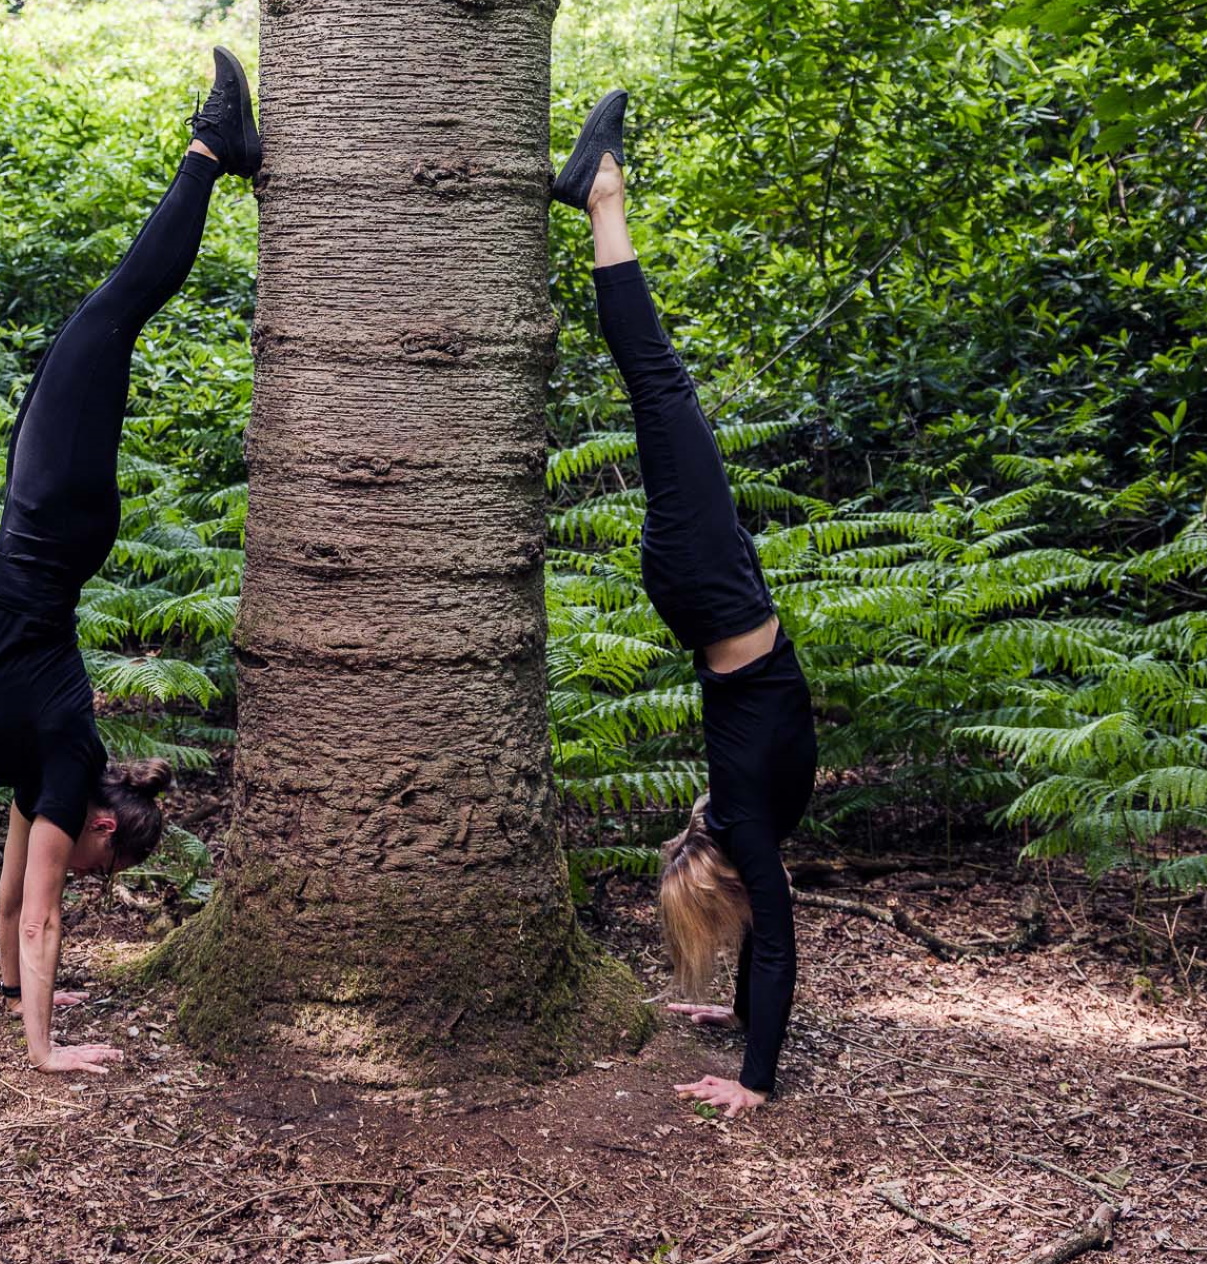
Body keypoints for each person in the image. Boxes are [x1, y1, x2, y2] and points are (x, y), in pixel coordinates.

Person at [0, 47, 262, 1074]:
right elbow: (44, 912)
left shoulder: (45, 774)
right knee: (113, 311)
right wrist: (48, 1053)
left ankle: (219, 148)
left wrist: (21, 1011)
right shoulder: (64, 768)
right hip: (52, 519)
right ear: (96, 818)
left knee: (105, 319)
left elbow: (17, 908)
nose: (85, 875)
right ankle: (215, 148)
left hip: (48, 522)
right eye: (99, 859)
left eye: (93, 868)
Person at [551, 91, 819, 1118]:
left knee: (659, 385)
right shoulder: (745, 831)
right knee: (658, 391)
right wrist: (743, 1034)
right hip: (714, 594)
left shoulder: (753, 822)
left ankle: (601, 194)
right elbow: (770, 936)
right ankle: (598, 196)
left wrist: (753, 1085)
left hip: (711, 587)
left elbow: (775, 933)